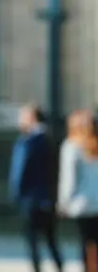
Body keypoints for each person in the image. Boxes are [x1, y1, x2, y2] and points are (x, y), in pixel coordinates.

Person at [9, 105, 63, 272]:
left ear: (31, 117)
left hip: (30, 198)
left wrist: (15, 193)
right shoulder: (51, 139)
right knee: (51, 239)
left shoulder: (27, 142)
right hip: (48, 197)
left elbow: (19, 171)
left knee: (33, 242)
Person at [58, 109, 98, 272]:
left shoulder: (71, 146)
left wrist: (64, 203)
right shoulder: (94, 145)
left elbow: (69, 179)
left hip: (82, 204)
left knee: (86, 244)